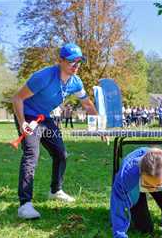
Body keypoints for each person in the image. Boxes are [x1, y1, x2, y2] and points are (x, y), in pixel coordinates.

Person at [12, 43, 100, 219]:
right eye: (71, 62)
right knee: (31, 156)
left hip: (45, 118)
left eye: (79, 62)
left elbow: (87, 104)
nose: (76, 66)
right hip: (28, 116)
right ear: (60, 60)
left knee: (61, 154)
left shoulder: (76, 82)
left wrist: (100, 125)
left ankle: (55, 190)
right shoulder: (43, 77)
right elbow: (17, 98)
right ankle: (25, 205)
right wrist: (22, 123)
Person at [110, 147, 162, 238]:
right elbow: (119, 206)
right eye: (148, 184)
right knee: (145, 229)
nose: (152, 189)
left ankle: (154, 185)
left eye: (157, 185)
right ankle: (147, 187)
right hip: (135, 185)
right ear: (140, 173)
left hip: (160, 184)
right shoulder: (127, 175)